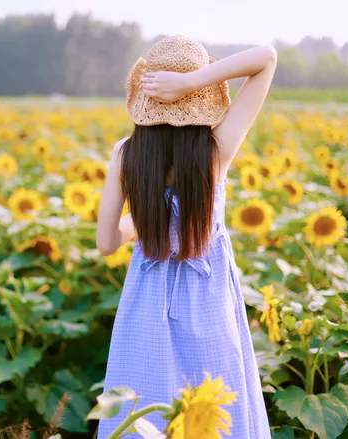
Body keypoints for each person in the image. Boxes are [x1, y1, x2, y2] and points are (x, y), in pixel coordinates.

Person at [95, 35, 277, 438]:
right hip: (208, 295)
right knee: (214, 409)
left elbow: (107, 242)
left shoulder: (127, 154)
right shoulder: (216, 150)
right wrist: (194, 81)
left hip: (147, 299)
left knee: (143, 407)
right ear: (203, 96)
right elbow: (265, 58)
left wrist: (148, 221)